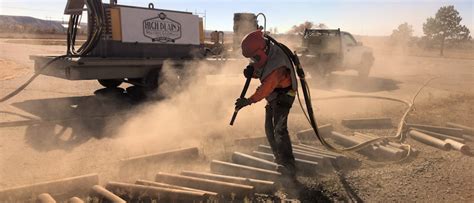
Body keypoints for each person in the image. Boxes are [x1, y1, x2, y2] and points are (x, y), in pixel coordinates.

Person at [234, 30, 298, 178]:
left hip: (284, 95)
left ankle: (289, 165)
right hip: (274, 95)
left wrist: (247, 101)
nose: (253, 60)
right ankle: (279, 158)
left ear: (261, 51)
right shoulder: (267, 50)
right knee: (269, 128)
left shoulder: (277, 65)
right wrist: (252, 71)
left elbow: (265, 88)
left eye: (254, 57)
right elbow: (261, 66)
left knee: (279, 131)